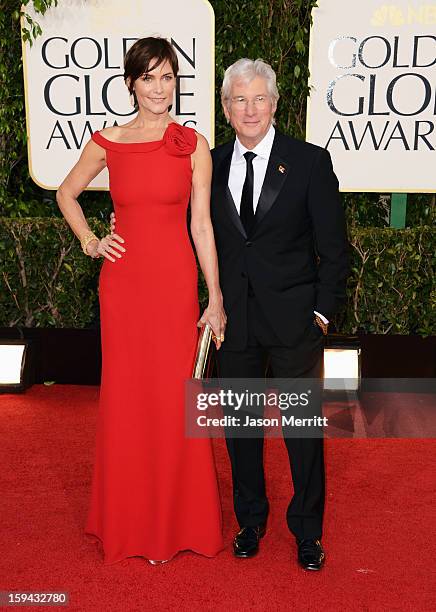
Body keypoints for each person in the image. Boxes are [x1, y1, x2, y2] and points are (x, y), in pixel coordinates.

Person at [56, 37, 226, 565]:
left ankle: (177, 524)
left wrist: (214, 298)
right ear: (131, 83)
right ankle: (131, 525)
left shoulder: (192, 143)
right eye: (148, 77)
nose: (159, 88)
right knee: (130, 400)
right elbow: (66, 193)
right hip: (124, 286)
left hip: (175, 286)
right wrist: (90, 241)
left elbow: (202, 225)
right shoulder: (107, 140)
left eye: (168, 76)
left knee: (175, 398)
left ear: (177, 82)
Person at [210, 59, 349, 570]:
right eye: (239, 100)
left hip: (295, 324)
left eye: (258, 99)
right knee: (241, 428)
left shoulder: (310, 162)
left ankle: (308, 531)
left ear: (274, 104)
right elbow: (195, 237)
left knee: (302, 431)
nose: (250, 109)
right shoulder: (210, 162)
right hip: (235, 324)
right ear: (226, 109)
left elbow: (334, 247)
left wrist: (321, 314)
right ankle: (250, 521)